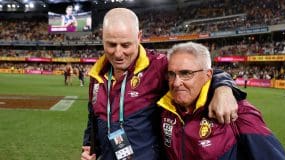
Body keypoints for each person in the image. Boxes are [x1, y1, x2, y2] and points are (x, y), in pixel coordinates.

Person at [81, 8, 245, 160]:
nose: (118, 53)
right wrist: (89, 146)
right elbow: (93, 118)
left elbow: (200, 72)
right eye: (111, 44)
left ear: (139, 37)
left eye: (125, 45)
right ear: (102, 38)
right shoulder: (97, 75)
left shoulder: (157, 66)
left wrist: (223, 88)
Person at [157, 42, 285, 160]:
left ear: (207, 75)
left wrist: (223, 86)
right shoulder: (165, 108)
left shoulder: (238, 113)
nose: (176, 83)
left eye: (186, 73)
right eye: (171, 74)